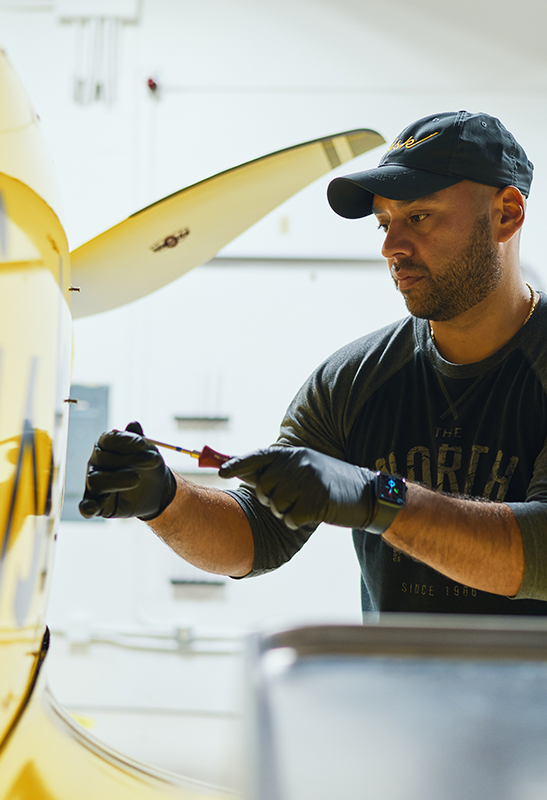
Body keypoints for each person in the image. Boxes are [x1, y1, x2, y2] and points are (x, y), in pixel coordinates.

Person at [79, 110, 547, 616]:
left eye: (419, 217)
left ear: (507, 213)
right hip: (398, 693)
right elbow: (258, 533)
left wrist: (377, 497)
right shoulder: (353, 381)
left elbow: (539, 553)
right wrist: (164, 498)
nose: (391, 247)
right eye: (385, 223)